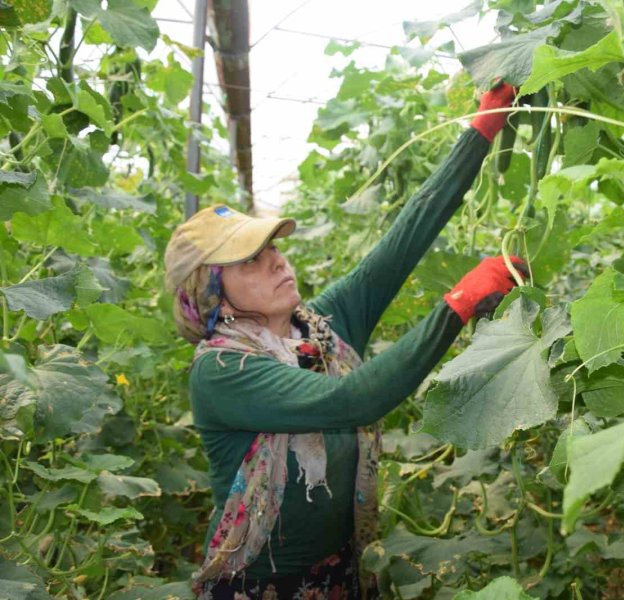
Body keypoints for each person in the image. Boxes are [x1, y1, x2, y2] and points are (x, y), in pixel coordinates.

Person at [163, 83, 523, 600]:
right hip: (261, 587)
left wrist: (482, 129)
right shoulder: (220, 371)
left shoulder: (320, 328)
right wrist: (459, 304)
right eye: (250, 261)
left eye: (273, 250)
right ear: (214, 295)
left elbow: (407, 236)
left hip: (343, 575)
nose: (277, 262)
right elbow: (351, 400)